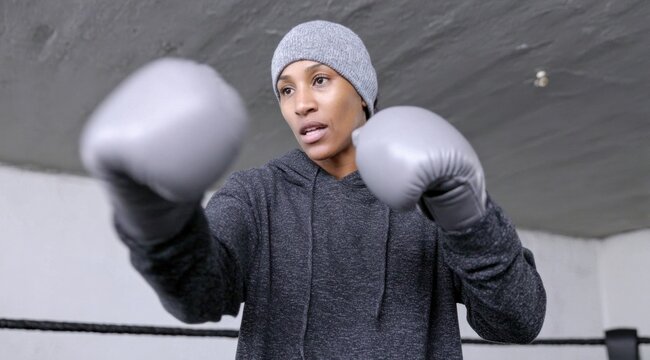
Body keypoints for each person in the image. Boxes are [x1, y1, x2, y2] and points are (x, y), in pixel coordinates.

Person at [80, 20, 546, 359]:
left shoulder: (432, 189)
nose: (301, 104)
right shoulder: (256, 194)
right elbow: (197, 296)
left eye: (320, 80)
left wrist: (465, 210)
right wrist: (154, 214)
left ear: (361, 92)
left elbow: (518, 320)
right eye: (286, 90)